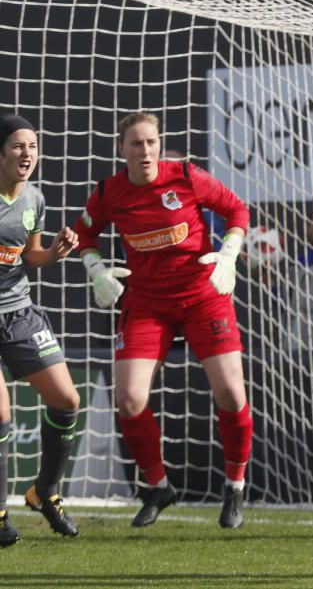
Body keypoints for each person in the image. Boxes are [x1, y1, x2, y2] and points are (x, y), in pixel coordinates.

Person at [74, 112, 253, 529]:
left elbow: (237, 210)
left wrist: (228, 254)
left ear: (160, 144)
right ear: (121, 150)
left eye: (151, 142)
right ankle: (157, 486)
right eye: (136, 143)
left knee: (230, 392)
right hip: (147, 303)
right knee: (130, 399)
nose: (145, 151)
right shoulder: (109, 192)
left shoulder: (186, 176)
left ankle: (235, 487)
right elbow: (84, 234)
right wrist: (96, 269)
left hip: (203, 298)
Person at [0, 115, 81, 544]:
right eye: (17, 146)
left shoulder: (34, 199)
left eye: (32, 146)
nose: (27, 153)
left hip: (19, 313)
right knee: (1, 413)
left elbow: (27, 255)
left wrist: (52, 253)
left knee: (67, 400)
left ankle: (44, 492)